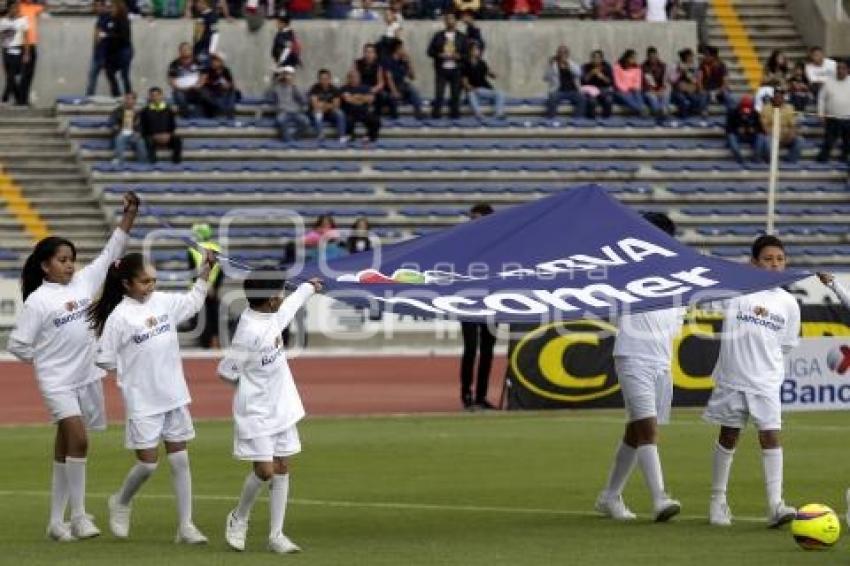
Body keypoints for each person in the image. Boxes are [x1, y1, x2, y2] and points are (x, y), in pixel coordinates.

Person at [7, 191, 139, 542]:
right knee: (79, 440)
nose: (70, 265)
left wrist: (129, 215)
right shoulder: (38, 301)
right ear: (45, 266)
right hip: (57, 382)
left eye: (72, 259)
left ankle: (55, 522)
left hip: (87, 378)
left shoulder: (83, 283)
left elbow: (113, 250)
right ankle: (79, 516)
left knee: (66, 446)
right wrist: (44, 361)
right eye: (62, 260)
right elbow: (17, 344)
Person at [90, 252, 214, 544]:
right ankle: (120, 501)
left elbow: (193, 302)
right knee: (147, 464)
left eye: (154, 281)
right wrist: (131, 369)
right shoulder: (119, 317)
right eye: (145, 281)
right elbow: (103, 359)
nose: (151, 286)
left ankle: (185, 526)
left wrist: (205, 273)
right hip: (143, 400)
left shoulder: (163, 302)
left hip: (174, 394)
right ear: (127, 284)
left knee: (180, 460)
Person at [219, 271, 323, 554]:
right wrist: (252, 390)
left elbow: (289, 307)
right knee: (265, 471)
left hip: (281, 406)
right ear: (266, 301)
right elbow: (226, 371)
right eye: (278, 293)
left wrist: (308, 288)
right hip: (256, 411)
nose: (281, 297)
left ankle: (276, 534)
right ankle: (239, 518)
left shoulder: (271, 315)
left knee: (282, 468)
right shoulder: (248, 332)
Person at [704, 235, 800, 528]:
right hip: (733, 378)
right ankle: (717, 501)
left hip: (767, 381)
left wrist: (766, 368)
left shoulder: (789, 303)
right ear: (754, 262)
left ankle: (775, 505)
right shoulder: (735, 291)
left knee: (770, 436)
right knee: (729, 436)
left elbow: (785, 345)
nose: (774, 265)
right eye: (768, 259)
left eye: (780, 259)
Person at [595, 212, 684, 523]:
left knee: (635, 432)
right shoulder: (625, 270)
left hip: (661, 360)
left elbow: (676, 321)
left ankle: (609, 496)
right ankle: (659, 498)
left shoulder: (679, 276)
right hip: (632, 355)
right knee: (649, 429)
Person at [459, 203, 497, 410]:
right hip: (468, 301)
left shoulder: (499, 242)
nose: (472, 221)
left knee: (487, 351)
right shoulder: (464, 240)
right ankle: (466, 395)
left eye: (476, 217)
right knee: (471, 349)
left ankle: (481, 396)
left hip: (491, 301)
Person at [187, 223, 223, 349]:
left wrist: (203, 286)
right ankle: (215, 341)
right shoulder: (217, 248)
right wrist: (214, 287)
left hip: (199, 289)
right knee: (214, 316)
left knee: (202, 317)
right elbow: (221, 272)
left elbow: (192, 272)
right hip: (213, 290)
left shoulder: (192, 250)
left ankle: (205, 344)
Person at [427, 12, 468, 120]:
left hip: (456, 70)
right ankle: (436, 116)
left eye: (452, 18)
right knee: (439, 94)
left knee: (455, 95)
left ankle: (455, 116)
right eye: (447, 19)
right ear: (444, 21)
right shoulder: (438, 36)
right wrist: (439, 55)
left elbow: (467, 54)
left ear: (456, 21)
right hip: (441, 69)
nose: (449, 21)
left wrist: (459, 56)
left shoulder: (462, 37)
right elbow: (430, 51)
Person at [816, 59, 850, 164]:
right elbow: (821, 98)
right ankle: (821, 161)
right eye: (838, 68)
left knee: (848, 143)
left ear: (848, 70)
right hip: (832, 118)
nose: (840, 70)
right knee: (829, 142)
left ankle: (844, 161)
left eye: (843, 68)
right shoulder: (828, 82)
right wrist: (821, 113)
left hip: (848, 118)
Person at [383, 39, 425, 120]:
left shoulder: (403, 61)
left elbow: (412, 77)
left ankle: (419, 114)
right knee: (392, 98)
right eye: (402, 48)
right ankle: (394, 118)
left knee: (413, 89)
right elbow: (389, 78)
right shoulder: (387, 60)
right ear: (397, 49)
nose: (404, 50)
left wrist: (409, 62)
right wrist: (394, 91)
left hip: (401, 86)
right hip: (389, 88)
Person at [759, 87, 802, 163]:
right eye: (776, 96)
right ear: (773, 97)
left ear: (783, 97)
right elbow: (764, 126)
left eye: (780, 96)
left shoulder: (789, 108)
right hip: (772, 136)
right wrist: (776, 135)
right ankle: (771, 163)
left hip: (786, 136)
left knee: (799, 140)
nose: (778, 98)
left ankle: (790, 163)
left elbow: (793, 125)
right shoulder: (766, 108)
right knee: (766, 141)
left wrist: (790, 134)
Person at [462, 42, 504, 120]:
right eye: (475, 49)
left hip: (485, 91)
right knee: (471, 95)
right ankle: (479, 115)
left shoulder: (482, 63)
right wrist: (473, 89)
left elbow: (489, 73)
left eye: (478, 49)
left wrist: (494, 75)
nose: (477, 51)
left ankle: (498, 113)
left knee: (500, 93)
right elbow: (464, 82)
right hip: (474, 92)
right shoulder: (465, 64)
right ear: (470, 51)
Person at [140, 87, 183, 164]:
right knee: (147, 141)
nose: (155, 97)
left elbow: (172, 125)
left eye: (157, 95)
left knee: (177, 140)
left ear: (161, 96)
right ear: (149, 97)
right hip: (152, 137)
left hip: (166, 137)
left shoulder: (168, 110)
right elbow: (143, 127)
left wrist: (168, 135)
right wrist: (154, 135)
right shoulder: (144, 111)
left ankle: (176, 163)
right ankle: (153, 163)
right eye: (152, 95)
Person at [268, 66, 310, 143]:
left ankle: (295, 137)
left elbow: (303, 100)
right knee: (280, 121)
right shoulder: (276, 88)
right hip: (283, 112)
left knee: (306, 122)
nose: (286, 77)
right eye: (285, 74)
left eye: (288, 75)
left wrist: (294, 86)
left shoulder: (295, 87)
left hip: (296, 112)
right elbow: (269, 95)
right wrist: (275, 81)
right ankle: (288, 141)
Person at [544, 45, 586, 119]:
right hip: (558, 90)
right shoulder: (553, 65)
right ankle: (551, 119)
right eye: (560, 52)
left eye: (564, 52)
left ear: (568, 54)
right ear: (557, 53)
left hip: (573, 90)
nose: (562, 54)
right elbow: (545, 78)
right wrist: (550, 67)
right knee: (552, 99)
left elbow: (579, 73)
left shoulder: (572, 63)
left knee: (582, 99)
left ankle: (576, 120)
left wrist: (568, 65)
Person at [0, 2, 29, 106]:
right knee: (9, 76)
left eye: (17, 8)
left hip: (17, 49)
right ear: (9, 9)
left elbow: (26, 38)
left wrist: (26, 53)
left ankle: (4, 98)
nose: (15, 10)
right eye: (13, 8)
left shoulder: (23, 20)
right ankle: (19, 99)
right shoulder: (3, 21)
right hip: (6, 50)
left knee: (12, 75)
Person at [340, 69, 381, 143]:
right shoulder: (344, 88)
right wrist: (362, 99)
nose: (353, 79)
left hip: (363, 112)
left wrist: (357, 97)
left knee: (376, 120)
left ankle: (369, 136)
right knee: (347, 120)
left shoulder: (365, 87)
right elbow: (348, 100)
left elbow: (371, 99)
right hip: (350, 112)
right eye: (351, 77)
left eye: (355, 77)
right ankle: (350, 136)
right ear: (348, 78)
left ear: (359, 78)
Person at [167, 42, 206, 118]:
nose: (185, 51)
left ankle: (200, 117)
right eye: (183, 49)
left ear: (191, 50)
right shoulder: (174, 64)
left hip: (195, 89)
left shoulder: (198, 62)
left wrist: (198, 85)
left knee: (204, 94)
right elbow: (171, 80)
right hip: (180, 90)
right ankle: (186, 117)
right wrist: (182, 88)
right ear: (179, 51)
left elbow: (203, 76)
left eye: (187, 49)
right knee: (179, 96)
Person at [18, 0, 45, 106]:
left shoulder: (34, 7)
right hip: (23, 44)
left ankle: (24, 98)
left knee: (29, 74)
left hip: (32, 44)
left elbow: (45, 6)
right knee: (23, 73)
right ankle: (20, 99)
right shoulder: (19, 7)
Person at [104, 0, 133, 98]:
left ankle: (128, 94)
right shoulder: (110, 19)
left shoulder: (123, 20)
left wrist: (110, 36)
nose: (110, 9)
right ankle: (116, 94)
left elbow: (123, 37)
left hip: (123, 50)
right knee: (109, 71)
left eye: (113, 7)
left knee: (124, 74)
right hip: (112, 50)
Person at [110, 92, 147, 165]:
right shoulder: (117, 111)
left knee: (141, 141)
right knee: (120, 138)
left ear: (135, 101)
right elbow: (113, 124)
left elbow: (141, 126)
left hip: (133, 134)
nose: (129, 101)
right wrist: (119, 129)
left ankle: (142, 164)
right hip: (121, 133)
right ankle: (120, 161)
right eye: (127, 98)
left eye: (131, 99)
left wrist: (139, 133)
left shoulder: (138, 113)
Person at [308, 69, 346, 141]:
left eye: (326, 79)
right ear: (319, 79)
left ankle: (342, 136)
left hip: (330, 113)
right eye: (322, 79)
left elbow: (336, 105)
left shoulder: (334, 89)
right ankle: (320, 136)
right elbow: (315, 105)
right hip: (318, 112)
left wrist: (323, 105)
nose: (324, 81)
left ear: (329, 79)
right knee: (318, 113)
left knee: (340, 113)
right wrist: (329, 105)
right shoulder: (314, 88)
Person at [725, 94, 764, 164]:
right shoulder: (733, 113)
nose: (745, 112)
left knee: (760, 137)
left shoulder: (755, 114)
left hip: (751, 136)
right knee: (731, 137)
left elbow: (761, 128)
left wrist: (754, 129)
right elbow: (728, 129)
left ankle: (756, 158)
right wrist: (737, 130)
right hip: (737, 136)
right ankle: (739, 160)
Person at [697, 46, 734, 114]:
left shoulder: (721, 65)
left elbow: (725, 80)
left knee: (727, 96)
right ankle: (703, 114)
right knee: (702, 98)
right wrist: (701, 89)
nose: (705, 57)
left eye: (707, 55)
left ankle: (731, 114)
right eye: (705, 55)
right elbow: (699, 79)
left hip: (719, 89)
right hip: (707, 89)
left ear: (713, 56)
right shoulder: (702, 65)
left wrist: (720, 90)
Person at [85, 0, 110, 97]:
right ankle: (89, 96)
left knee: (110, 77)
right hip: (98, 53)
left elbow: (101, 36)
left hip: (105, 53)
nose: (95, 8)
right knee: (92, 76)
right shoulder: (101, 18)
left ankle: (117, 95)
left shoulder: (107, 18)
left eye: (97, 6)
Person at [200, 53, 237, 119]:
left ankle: (229, 114)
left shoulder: (225, 71)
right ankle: (223, 113)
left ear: (221, 62)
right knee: (204, 92)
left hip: (222, 94)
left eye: (216, 60)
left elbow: (231, 84)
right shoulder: (207, 70)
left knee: (232, 92)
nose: (213, 62)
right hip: (211, 94)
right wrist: (204, 79)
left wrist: (227, 85)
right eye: (213, 60)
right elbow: (201, 84)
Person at [581, 49, 615, 119]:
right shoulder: (586, 66)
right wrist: (591, 73)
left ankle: (606, 119)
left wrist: (602, 77)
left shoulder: (607, 66)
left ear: (602, 59)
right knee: (592, 101)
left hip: (603, 90)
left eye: (598, 58)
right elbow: (583, 82)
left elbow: (611, 82)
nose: (595, 60)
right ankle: (591, 119)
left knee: (609, 100)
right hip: (591, 90)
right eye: (594, 58)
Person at [354, 43, 387, 115]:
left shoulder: (378, 65)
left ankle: (377, 115)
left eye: (371, 52)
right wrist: (364, 91)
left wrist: (372, 90)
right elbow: (355, 79)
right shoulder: (357, 63)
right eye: (367, 52)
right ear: (364, 53)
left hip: (373, 89)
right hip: (361, 88)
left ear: (374, 54)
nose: (369, 54)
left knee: (383, 96)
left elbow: (381, 83)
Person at [670, 48, 702, 118]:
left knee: (696, 99)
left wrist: (687, 73)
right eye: (690, 57)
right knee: (683, 101)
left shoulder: (695, 67)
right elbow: (672, 80)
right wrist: (680, 72)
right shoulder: (676, 66)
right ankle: (682, 116)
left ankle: (692, 114)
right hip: (678, 91)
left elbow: (695, 81)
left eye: (692, 56)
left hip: (690, 90)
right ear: (685, 57)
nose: (691, 58)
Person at [613, 49, 647, 115]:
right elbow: (617, 82)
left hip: (633, 90)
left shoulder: (637, 68)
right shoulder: (617, 67)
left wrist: (634, 88)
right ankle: (640, 109)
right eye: (632, 58)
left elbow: (638, 82)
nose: (634, 60)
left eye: (635, 58)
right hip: (620, 91)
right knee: (625, 95)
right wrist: (627, 89)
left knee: (637, 92)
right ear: (626, 58)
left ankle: (640, 109)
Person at [641, 47, 669, 122]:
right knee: (652, 97)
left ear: (657, 56)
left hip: (660, 89)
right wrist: (653, 91)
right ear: (647, 57)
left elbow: (665, 81)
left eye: (654, 56)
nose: (653, 59)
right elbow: (644, 83)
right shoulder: (643, 67)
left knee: (666, 94)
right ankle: (658, 113)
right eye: (651, 57)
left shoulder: (663, 66)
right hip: (649, 90)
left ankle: (663, 110)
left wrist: (661, 89)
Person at [191, 0, 219, 67]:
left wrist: (212, 49)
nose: (197, 5)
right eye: (196, 3)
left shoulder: (212, 16)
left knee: (205, 69)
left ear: (205, 3)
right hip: (197, 47)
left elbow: (215, 33)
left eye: (199, 3)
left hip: (206, 48)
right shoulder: (200, 15)